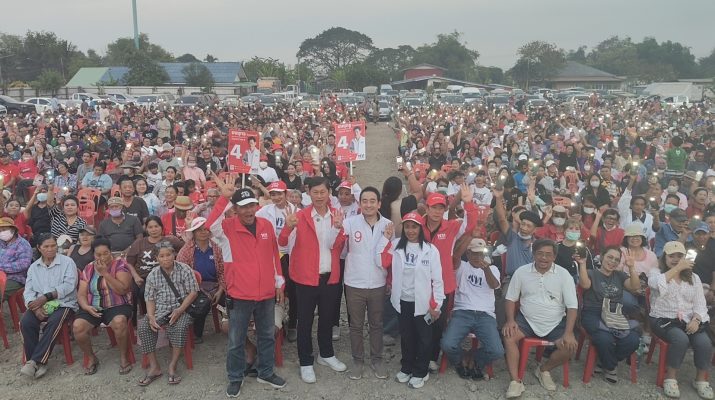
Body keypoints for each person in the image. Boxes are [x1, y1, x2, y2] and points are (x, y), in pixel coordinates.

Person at [206, 176, 287, 397]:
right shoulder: (226, 229)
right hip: (240, 295)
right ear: (235, 209)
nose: (249, 210)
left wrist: (279, 282)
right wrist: (223, 199)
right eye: (243, 206)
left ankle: (265, 372)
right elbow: (209, 225)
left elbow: (274, 255)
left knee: (266, 336)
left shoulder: (266, 225)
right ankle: (235, 377)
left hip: (266, 293)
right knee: (236, 340)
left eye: (252, 205)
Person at [278, 176, 347, 384]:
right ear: (308, 193)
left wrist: (338, 228)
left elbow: (337, 246)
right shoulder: (299, 216)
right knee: (305, 321)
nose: (319, 196)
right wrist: (288, 227)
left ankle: (326, 354)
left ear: (329, 193)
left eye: (322, 192)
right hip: (305, 279)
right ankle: (305, 361)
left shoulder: (337, 216)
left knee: (327, 318)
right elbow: (282, 244)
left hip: (329, 276)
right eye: (315, 192)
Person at [502, 239, 578, 398]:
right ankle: (515, 381)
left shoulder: (564, 275)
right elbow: (510, 298)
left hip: (555, 322)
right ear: (533, 254)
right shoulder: (521, 272)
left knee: (570, 346)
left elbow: (572, 306)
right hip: (526, 320)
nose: (544, 258)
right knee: (508, 336)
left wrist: (569, 332)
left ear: (554, 257)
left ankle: (544, 369)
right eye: (540, 254)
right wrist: (510, 320)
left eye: (548, 255)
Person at [378, 212, 444, 389]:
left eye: (414, 227)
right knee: (406, 336)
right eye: (407, 227)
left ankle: (420, 371)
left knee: (424, 338)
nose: (410, 230)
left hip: (423, 303)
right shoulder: (395, 246)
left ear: (421, 228)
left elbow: (437, 280)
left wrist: (437, 304)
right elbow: (381, 261)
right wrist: (385, 239)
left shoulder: (430, 250)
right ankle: (407, 367)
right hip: (403, 300)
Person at [334, 186, 392, 379]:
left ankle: (377, 359)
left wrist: (389, 280)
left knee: (377, 324)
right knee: (356, 325)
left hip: (378, 283)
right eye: (364, 201)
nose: (368, 205)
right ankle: (358, 361)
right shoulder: (349, 223)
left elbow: (389, 255)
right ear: (359, 203)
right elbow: (336, 245)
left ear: (379, 204)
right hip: (354, 282)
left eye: (372, 201)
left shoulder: (388, 225)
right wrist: (337, 228)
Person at [648, 241, 713, 399]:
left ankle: (700, 380)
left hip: (688, 319)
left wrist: (696, 320)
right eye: (672, 256)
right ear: (665, 257)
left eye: (679, 256)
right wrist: (677, 268)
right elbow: (655, 285)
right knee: (680, 339)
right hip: (662, 318)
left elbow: (700, 304)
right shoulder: (656, 273)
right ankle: (670, 377)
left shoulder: (694, 277)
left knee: (704, 342)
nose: (676, 259)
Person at [440, 237, 504, 380]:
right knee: (447, 344)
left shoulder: (493, 269)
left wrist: (486, 269)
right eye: (474, 253)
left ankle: (475, 359)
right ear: (468, 254)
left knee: (497, 351)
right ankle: (460, 360)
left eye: (481, 254)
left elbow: (494, 285)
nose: (478, 257)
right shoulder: (462, 266)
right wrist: (469, 234)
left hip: (485, 315)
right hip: (462, 312)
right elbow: (455, 255)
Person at [137, 241, 199, 387]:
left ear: (174, 254)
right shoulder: (153, 274)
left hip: (182, 308)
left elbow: (193, 292)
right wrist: (151, 316)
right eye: (162, 256)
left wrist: (180, 310)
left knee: (179, 327)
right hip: (160, 310)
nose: (166, 259)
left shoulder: (184, 269)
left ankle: (173, 365)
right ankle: (154, 367)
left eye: (168, 255)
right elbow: (150, 298)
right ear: (156, 258)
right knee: (144, 327)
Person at [577, 246, 641, 383]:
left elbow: (635, 287)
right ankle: (611, 367)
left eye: (616, 260)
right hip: (593, 313)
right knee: (604, 339)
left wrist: (631, 267)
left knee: (633, 340)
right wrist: (582, 264)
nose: (612, 261)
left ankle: (604, 361)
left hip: (615, 313)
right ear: (602, 257)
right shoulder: (591, 273)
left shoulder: (619, 275)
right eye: (610, 257)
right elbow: (585, 285)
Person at [19, 234, 78, 379]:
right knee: (26, 322)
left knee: (53, 322)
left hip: (64, 303)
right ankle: (35, 363)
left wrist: (46, 297)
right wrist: (35, 308)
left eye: (53, 246)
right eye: (46, 246)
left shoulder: (67, 262)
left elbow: (69, 286)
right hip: (39, 305)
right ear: (39, 248)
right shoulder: (34, 267)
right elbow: (28, 291)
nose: (50, 249)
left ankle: (35, 361)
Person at [72, 237, 133, 375]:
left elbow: (122, 290)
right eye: (98, 254)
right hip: (94, 306)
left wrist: (105, 273)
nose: (103, 257)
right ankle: (92, 357)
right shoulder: (88, 268)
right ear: (93, 254)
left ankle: (124, 357)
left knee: (119, 322)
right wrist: (86, 307)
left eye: (106, 253)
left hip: (117, 304)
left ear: (110, 252)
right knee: (78, 327)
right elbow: (81, 294)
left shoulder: (120, 265)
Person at [256, 180, 298, 341]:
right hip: (271, 255)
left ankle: (293, 323)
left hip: (291, 255)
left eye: (279, 194)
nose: (276, 197)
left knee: (293, 290)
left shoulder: (297, 211)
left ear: (286, 194)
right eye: (273, 194)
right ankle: (275, 318)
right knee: (274, 288)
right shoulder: (265, 211)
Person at [126, 216, 183, 325]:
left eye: (156, 226)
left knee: (144, 292)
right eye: (150, 227)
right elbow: (129, 262)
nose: (154, 229)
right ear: (146, 229)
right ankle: (135, 324)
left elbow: (184, 250)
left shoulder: (169, 241)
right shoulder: (139, 243)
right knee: (133, 292)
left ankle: (152, 317)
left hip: (163, 276)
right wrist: (135, 276)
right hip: (142, 276)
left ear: (161, 227)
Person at [176, 217, 225, 343]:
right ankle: (196, 334)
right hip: (194, 287)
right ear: (194, 232)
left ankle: (230, 327)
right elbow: (180, 273)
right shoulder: (186, 251)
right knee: (201, 304)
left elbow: (223, 272)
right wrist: (193, 289)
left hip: (216, 285)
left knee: (230, 300)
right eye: (199, 230)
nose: (203, 232)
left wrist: (220, 289)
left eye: (206, 229)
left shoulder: (217, 248)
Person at [0, 217, 33, 300]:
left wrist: (2, 267)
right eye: (0, 231)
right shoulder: (1, 242)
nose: (1, 233)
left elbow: (24, 264)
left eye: (4, 230)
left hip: (15, 278)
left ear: (13, 230)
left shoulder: (23, 244)